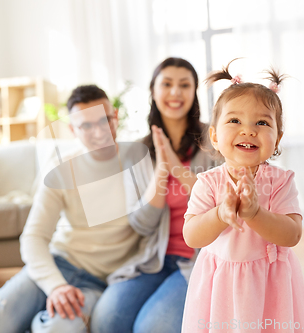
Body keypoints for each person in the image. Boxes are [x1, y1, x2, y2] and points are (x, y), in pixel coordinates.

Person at [0, 85, 142, 333]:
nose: (98, 132)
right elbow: (34, 237)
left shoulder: (139, 163)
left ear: (115, 117)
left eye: (104, 120)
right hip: (58, 264)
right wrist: (55, 286)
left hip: (99, 282)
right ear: (72, 129)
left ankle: (8, 310)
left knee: (58, 329)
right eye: (86, 125)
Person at [181, 59, 304, 332]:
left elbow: (292, 235)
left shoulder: (281, 182)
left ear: (277, 138)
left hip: (270, 284)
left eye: (262, 123)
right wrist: (220, 214)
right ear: (215, 136)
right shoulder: (208, 183)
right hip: (220, 285)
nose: (248, 130)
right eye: (234, 120)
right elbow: (192, 236)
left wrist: (255, 213)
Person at [90, 57, 220, 333]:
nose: (175, 92)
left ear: (194, 92)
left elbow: (220, 206)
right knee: (106, 320)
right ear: (153, 91)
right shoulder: (138, 151)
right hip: (153, 258)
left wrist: (176, 166)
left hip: (198, 260)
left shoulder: (214, 142)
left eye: (184, 85)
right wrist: (162, 170)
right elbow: (141, 224)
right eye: (167, 84)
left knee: (151, 328)